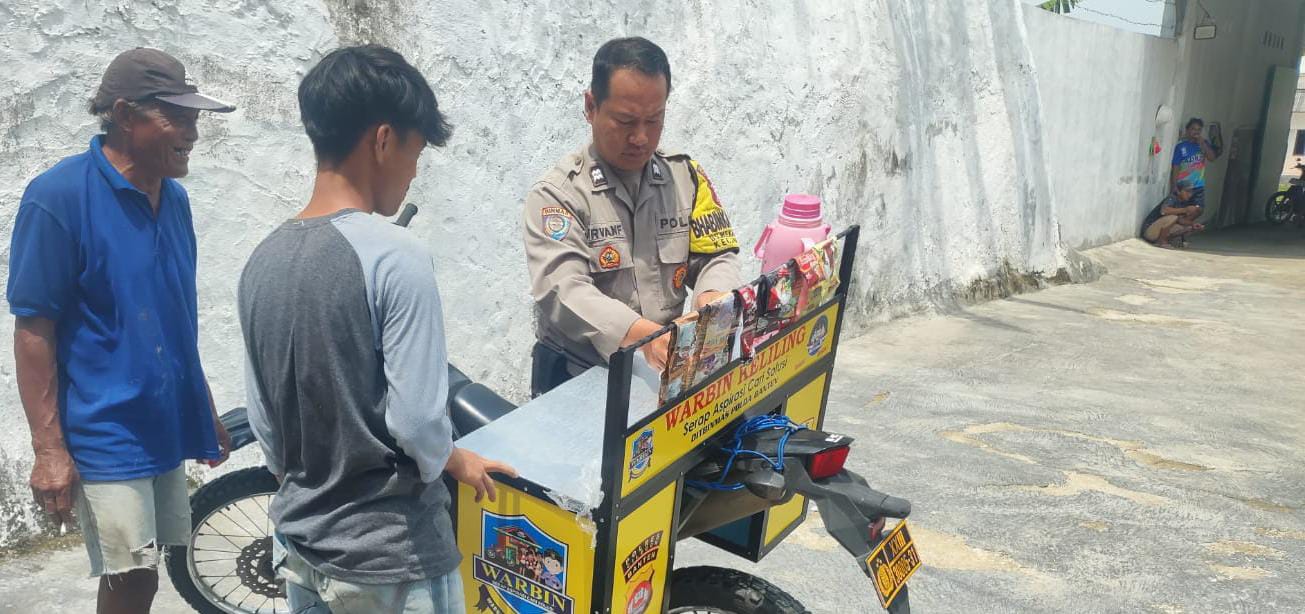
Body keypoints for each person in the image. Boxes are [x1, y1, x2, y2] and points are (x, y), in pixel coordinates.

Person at [237, 44, 515, 614]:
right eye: (416, 153)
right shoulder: (396, 256)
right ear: (384, 140)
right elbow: (417, 422)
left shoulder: (261, 261)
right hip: (392, 561)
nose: (413, 173)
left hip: (302, 547)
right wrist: (450, 459)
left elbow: (267, 427)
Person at [6, 48, 235, 613]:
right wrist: (49, 450)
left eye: (195, 118)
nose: (192, 133)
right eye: (177, 117)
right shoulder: (59, 197)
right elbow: (34, 327)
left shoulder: (174, 201)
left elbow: (174, 316)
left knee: (149, 571)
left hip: (163, 422)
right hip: (105, 427)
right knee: (130, 575)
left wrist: (202, 406)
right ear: (127, 115)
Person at [523, 37, 743, 396]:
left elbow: (715, 254)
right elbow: (563, 290)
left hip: (663, 371)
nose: (641, 138)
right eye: (625, 121)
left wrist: (711, 295)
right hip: (581, 376)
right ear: (591, 107)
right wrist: (643, 336)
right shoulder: (558, 196)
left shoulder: (684, 178)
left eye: (654, 120)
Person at [1170, 117, 1220, 216]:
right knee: (1182, 211)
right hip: (1184, 186)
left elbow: (1212, 158)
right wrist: (1174, 185)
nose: (1196, 132)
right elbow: (1176, 166)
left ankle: (1188, 224)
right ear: (1187, 130)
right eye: (1193, 129)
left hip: (1198, 185)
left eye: (1199, 129)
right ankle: (1184, 225)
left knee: (1198, 210)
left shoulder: (1203, 144)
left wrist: (1203, 144)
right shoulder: (1181, 146)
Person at [1142, 179, 1203, 248]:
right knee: (1173, 217)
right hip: (1149, 231)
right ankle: (1161, 242)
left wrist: (1193, 225)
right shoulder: (1172, 198)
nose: (1190, 194)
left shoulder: (1182, 202)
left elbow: (1180, 220)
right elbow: (1164, 211)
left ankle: (1165, 240)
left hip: (1156, 232)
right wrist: (1185, 209)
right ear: (1178, 191)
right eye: (1187, 191)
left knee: (1186, 228)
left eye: (1191, 192)